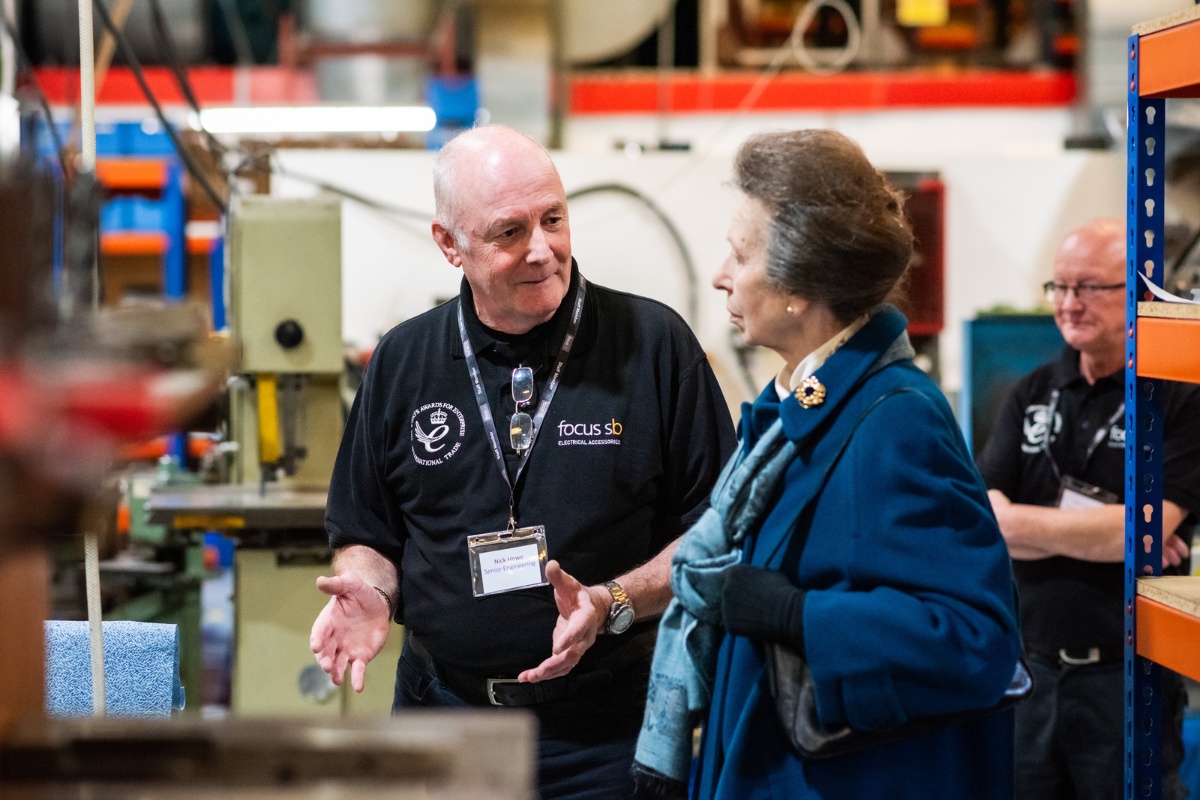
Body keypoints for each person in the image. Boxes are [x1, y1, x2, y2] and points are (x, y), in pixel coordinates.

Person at [308, 124, 737, 800]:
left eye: (554, 219)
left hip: (609, 733)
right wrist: (371, 587)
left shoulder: (655, 347)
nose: (543, 251)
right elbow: (369, 531)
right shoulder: (403, 361)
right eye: (510, 232)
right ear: (450, 244)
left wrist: (612, 600)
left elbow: (720, 532)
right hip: (443, 721)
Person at [632, 129, 1024, 800]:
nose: (721, 273)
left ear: (798, 286)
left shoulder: (897, 421)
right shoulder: (796, 410)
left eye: (741, 252)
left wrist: (795, 614)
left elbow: (976, 642)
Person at [976, 217, 1200, 800]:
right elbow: (985, 519)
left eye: (1090, 287)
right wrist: (1107, 532)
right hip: (1032, 674)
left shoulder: (1174, 397)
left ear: (1137, 293)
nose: (1070, 304)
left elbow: (1139, 535)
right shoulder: (1029, 392)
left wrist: (1027, 524)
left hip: (1125, 680)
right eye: (1060, 287)